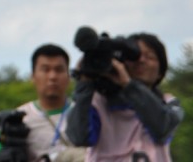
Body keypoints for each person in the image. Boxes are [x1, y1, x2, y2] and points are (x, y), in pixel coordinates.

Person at [65, 32, 184, 161]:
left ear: (160, 72)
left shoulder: (167, 102)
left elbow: (162, 129)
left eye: (149, 57)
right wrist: (84, 83)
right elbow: (79, 138)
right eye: (135, 56)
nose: (141, 60)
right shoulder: (98, 102)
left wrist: (129, 85)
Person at [0, 44, 84, 162]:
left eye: (59, 70)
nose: (52, 76)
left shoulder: (85, 114)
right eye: (45, 69)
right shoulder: (17, 119)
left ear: (68, 76)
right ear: (33, 76)